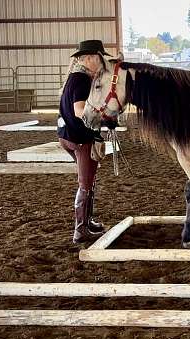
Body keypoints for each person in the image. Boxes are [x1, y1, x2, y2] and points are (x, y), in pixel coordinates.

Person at [57, 40, 118, 244]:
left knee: (89, 180)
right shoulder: (81, 80)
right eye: (101, 59)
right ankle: (80, 230)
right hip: (80, 138)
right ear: (91, 58)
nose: (102, 64)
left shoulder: (76, 78)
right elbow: (79, 110)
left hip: (68, 135)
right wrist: (105, 116)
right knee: (85, 183)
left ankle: (87, 221)